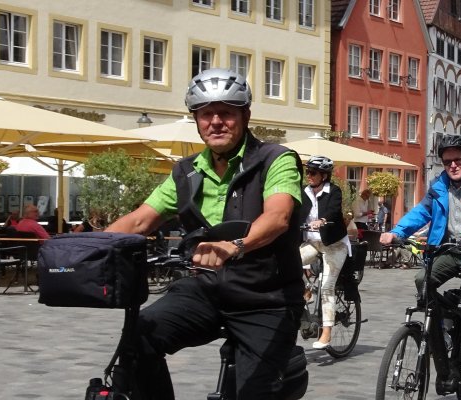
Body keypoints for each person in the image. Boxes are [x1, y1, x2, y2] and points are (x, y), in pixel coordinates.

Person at [105, 68, 305, 399]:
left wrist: (234, 246)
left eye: (226, 113)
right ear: (196, 120)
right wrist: (84, 249)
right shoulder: (186, 171)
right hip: (205, 291)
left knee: (255, 392)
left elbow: (278, 216)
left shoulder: (276, 159)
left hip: (266, 298)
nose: (215, 122)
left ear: (245, 115)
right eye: (206, 114)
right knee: (137, 339)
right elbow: (140, 221)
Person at [379, 134, 461, 399]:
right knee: (423, 281)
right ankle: (444, 359)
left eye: (457, 160)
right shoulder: (439, 186)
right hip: (447, 250)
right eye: (447, 162)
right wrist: (396, 232)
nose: (453, 165)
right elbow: (421, 212)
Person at [297, 155, 351, 349]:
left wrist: (322, 220)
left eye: (313, 172)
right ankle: (305, 289)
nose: (309, 176)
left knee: (327, 286)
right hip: (312, 242)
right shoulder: (303, 191)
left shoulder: (333, 191)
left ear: (324, 175)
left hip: (334, 244)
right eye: (308, 172)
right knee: (288, 262)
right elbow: (296, 212)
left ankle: (326, 333)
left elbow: (334, 210)